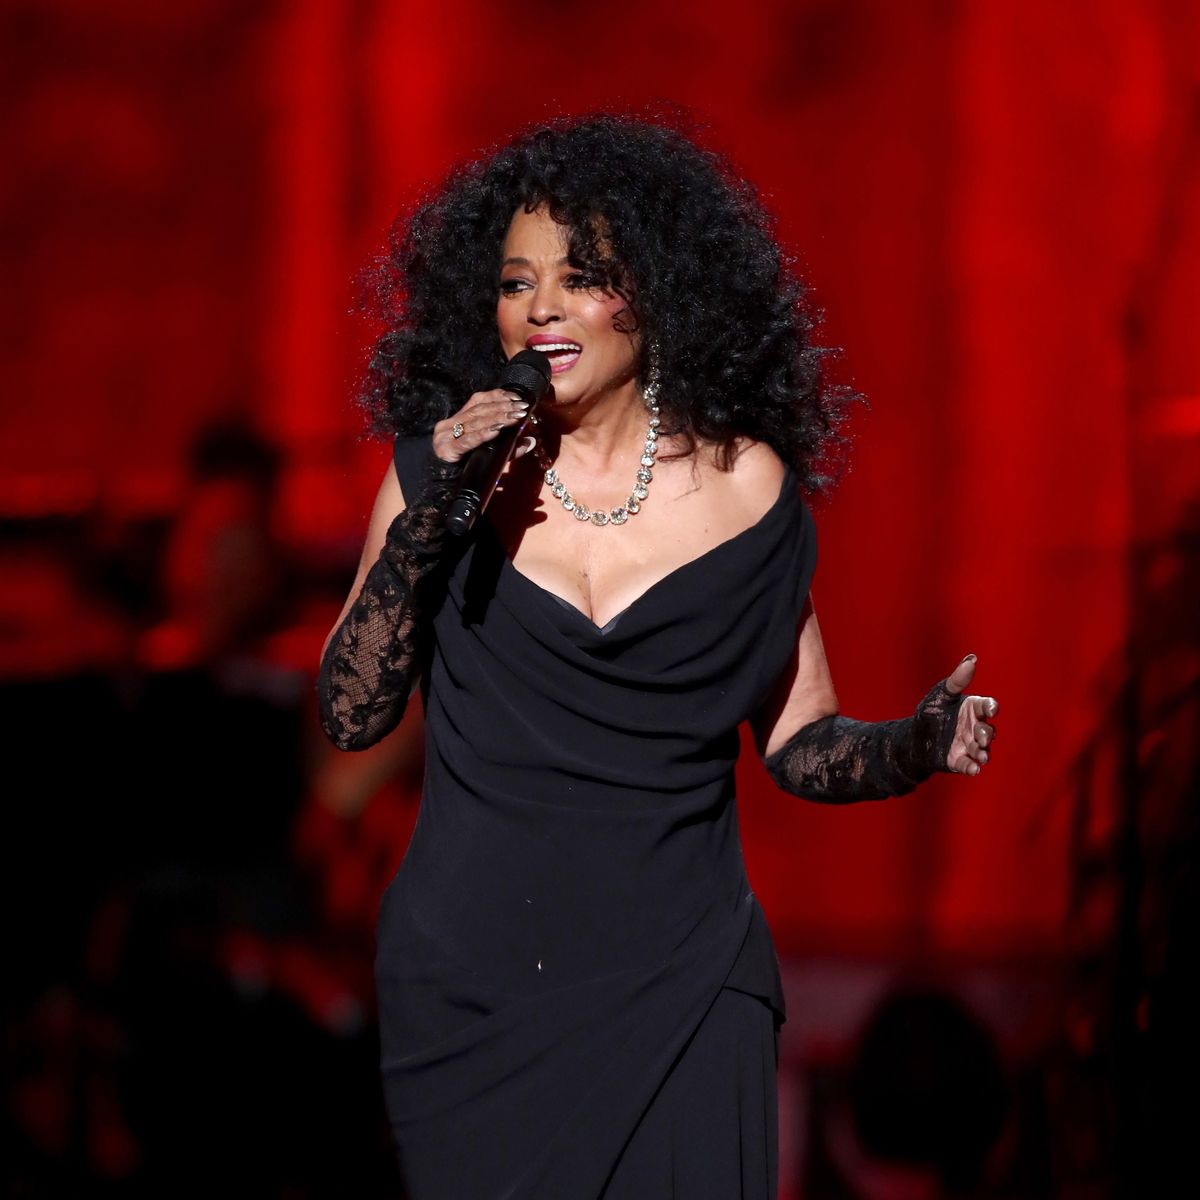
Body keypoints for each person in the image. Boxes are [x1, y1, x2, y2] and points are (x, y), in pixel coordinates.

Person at [315, 109, 1000, 1199]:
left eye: (581, 276)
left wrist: (912, 745)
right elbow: (352, 717)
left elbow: (800, 741)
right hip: (477, 996)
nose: (541, 306)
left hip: (682, 987)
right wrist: (430, 518)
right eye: (516, 282)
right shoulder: (436, 472)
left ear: (660, 293)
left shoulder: (747, 489)